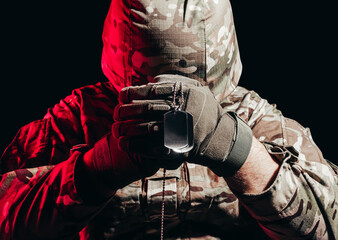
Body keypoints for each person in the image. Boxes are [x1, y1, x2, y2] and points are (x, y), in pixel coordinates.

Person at [1, 0, 337, 239]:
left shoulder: (257, 120)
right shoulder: (74, 121)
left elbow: (330, 228)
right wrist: (101, 166)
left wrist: (239, 152)